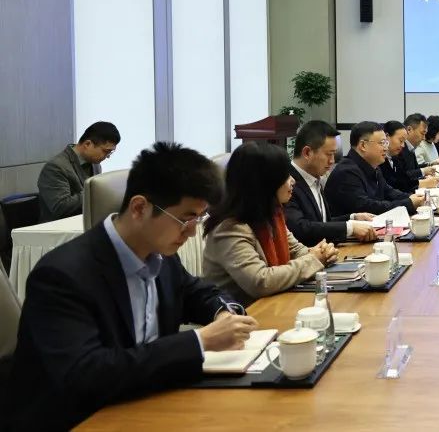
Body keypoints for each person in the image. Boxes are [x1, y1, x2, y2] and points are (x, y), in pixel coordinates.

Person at [10, 142, 257, 431]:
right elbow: (87, 375)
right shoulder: (62, 275)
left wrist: (225, 312)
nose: (192, 233)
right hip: (81, 419)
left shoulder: (161, 255)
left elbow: (196, 292)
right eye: (186, 219)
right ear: (139, 207)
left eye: (198, 219)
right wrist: (199, 341)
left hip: (146, 404)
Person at [202, 141, 337, 307]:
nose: (293, 181)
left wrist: (322, 253)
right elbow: (261, 281)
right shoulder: (230, 228)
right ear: (265, 182)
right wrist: (314, 259)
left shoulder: (271, 215)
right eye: (285, 176)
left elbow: (296, 250)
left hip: (276, 304)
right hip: (244, 315)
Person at [284, 120, 378, 247]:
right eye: (329, 154)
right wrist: (349, 227)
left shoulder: (315, 176)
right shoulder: (286, 182)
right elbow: (300, 228)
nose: (332, 161)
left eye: (334, 154)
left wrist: (353, 217)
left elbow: (321, 222)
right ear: (307, 153)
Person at [324, 121, 426, 218]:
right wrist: (408, 203)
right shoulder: (346, 172)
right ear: (363, 145)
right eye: (382, 143)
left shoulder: (373, 166)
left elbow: (388, 192)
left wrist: (413, 197)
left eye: (386, 143)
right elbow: (369, 207)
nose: (386, 148)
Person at [37, 120, 120, 222]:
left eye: (110, 152)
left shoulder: (95, 164)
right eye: (106, 151)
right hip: (60, 227)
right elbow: (60, 207)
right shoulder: (55, 167)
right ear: (87, 144)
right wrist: (96, 191)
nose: (107, 157)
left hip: (86, 222)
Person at [382, 120, 439, 194]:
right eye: (401, 140)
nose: (403, 145)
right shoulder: (382, 160)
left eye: (404, 141)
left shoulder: (394, 157)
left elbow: (402, 181)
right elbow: (393, 187)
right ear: (387, 137)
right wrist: (421, 182)